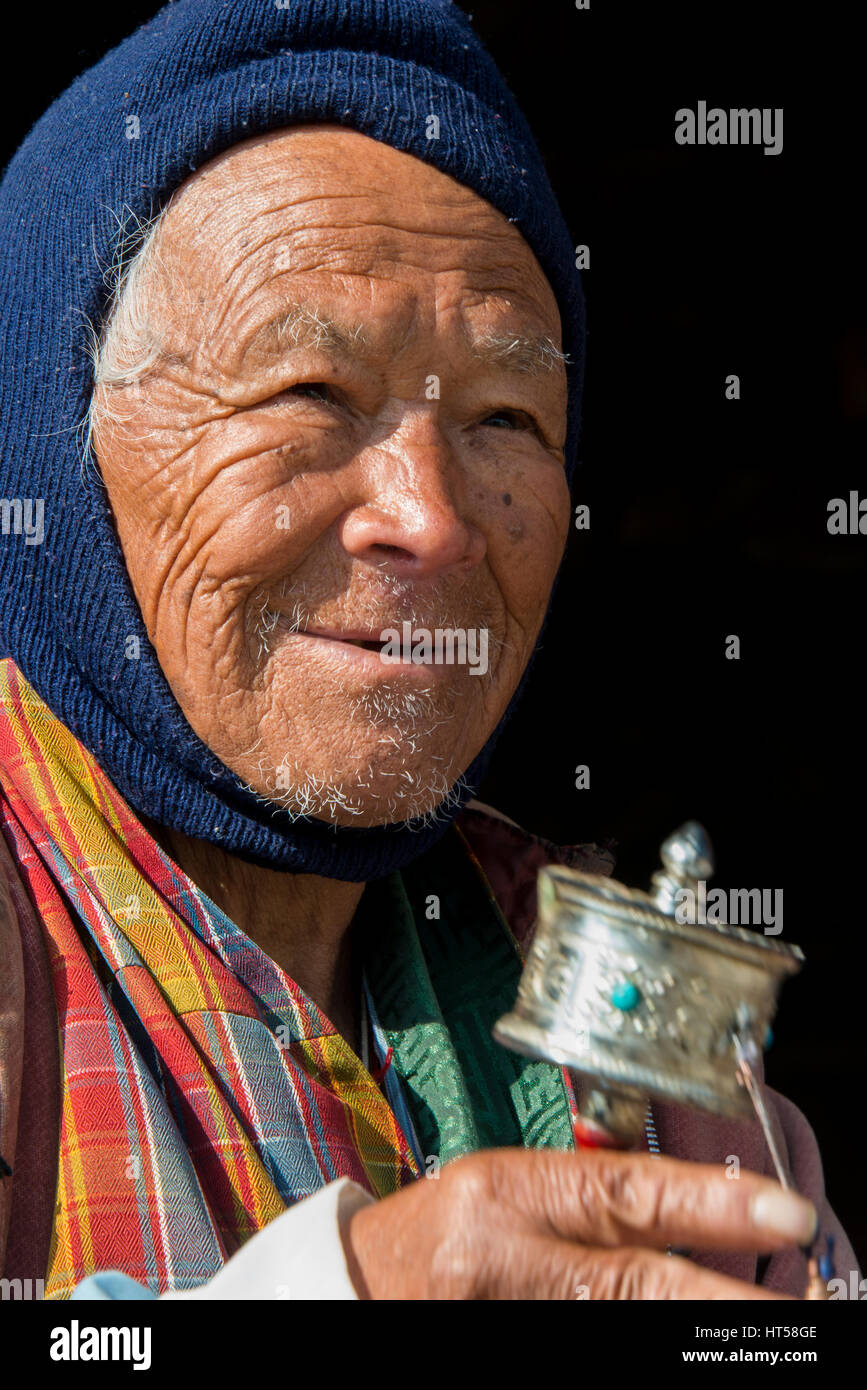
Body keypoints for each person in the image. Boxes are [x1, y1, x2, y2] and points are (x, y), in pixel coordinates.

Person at [0, 0, 857, 1301]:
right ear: (55, 445)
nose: (434, 518)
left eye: (506, 415)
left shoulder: (630, 1005)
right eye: (309, 394)